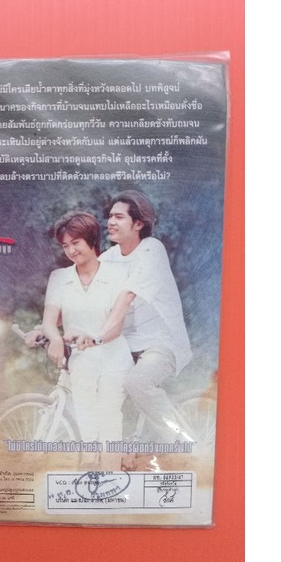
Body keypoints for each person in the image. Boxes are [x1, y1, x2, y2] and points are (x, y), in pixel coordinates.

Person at [92, 189, 194, 444]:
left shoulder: (152, 250)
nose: (111, 222)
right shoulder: (108, 258)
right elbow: (84, 294)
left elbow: (127, 295)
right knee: (99, 386)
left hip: (161, 342)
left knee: (137, 383)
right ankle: (118, 450)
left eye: (119, 217)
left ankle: (184, 445)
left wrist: (100, 336)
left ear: (138, 224)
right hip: (126, 344)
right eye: (110, 216)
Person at [40, 211, 134, 449]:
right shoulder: (59, 278)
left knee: (109, 419)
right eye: (65, 246)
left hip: (114, 357)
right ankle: (92, 465)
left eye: (76, 243)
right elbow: (49, 321)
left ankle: (112, 466)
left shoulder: (118, 275)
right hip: (80, 360)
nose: (71, 250)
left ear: (91, 239)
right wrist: (55, 339)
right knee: (86, 422)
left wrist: (94, 339)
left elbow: (116, 327)